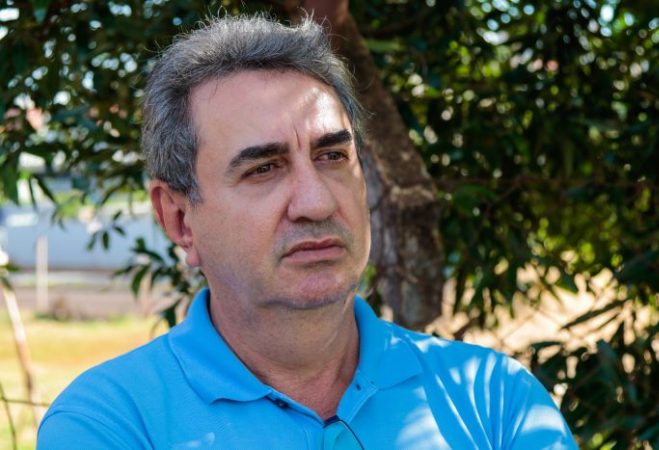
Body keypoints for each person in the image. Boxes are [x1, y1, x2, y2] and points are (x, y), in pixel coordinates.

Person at [37, 15, 578, 449]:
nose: (316, 202)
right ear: (180, 218)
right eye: (263, 169)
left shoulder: (493, 401)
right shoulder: (110, 423)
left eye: (332, 156)